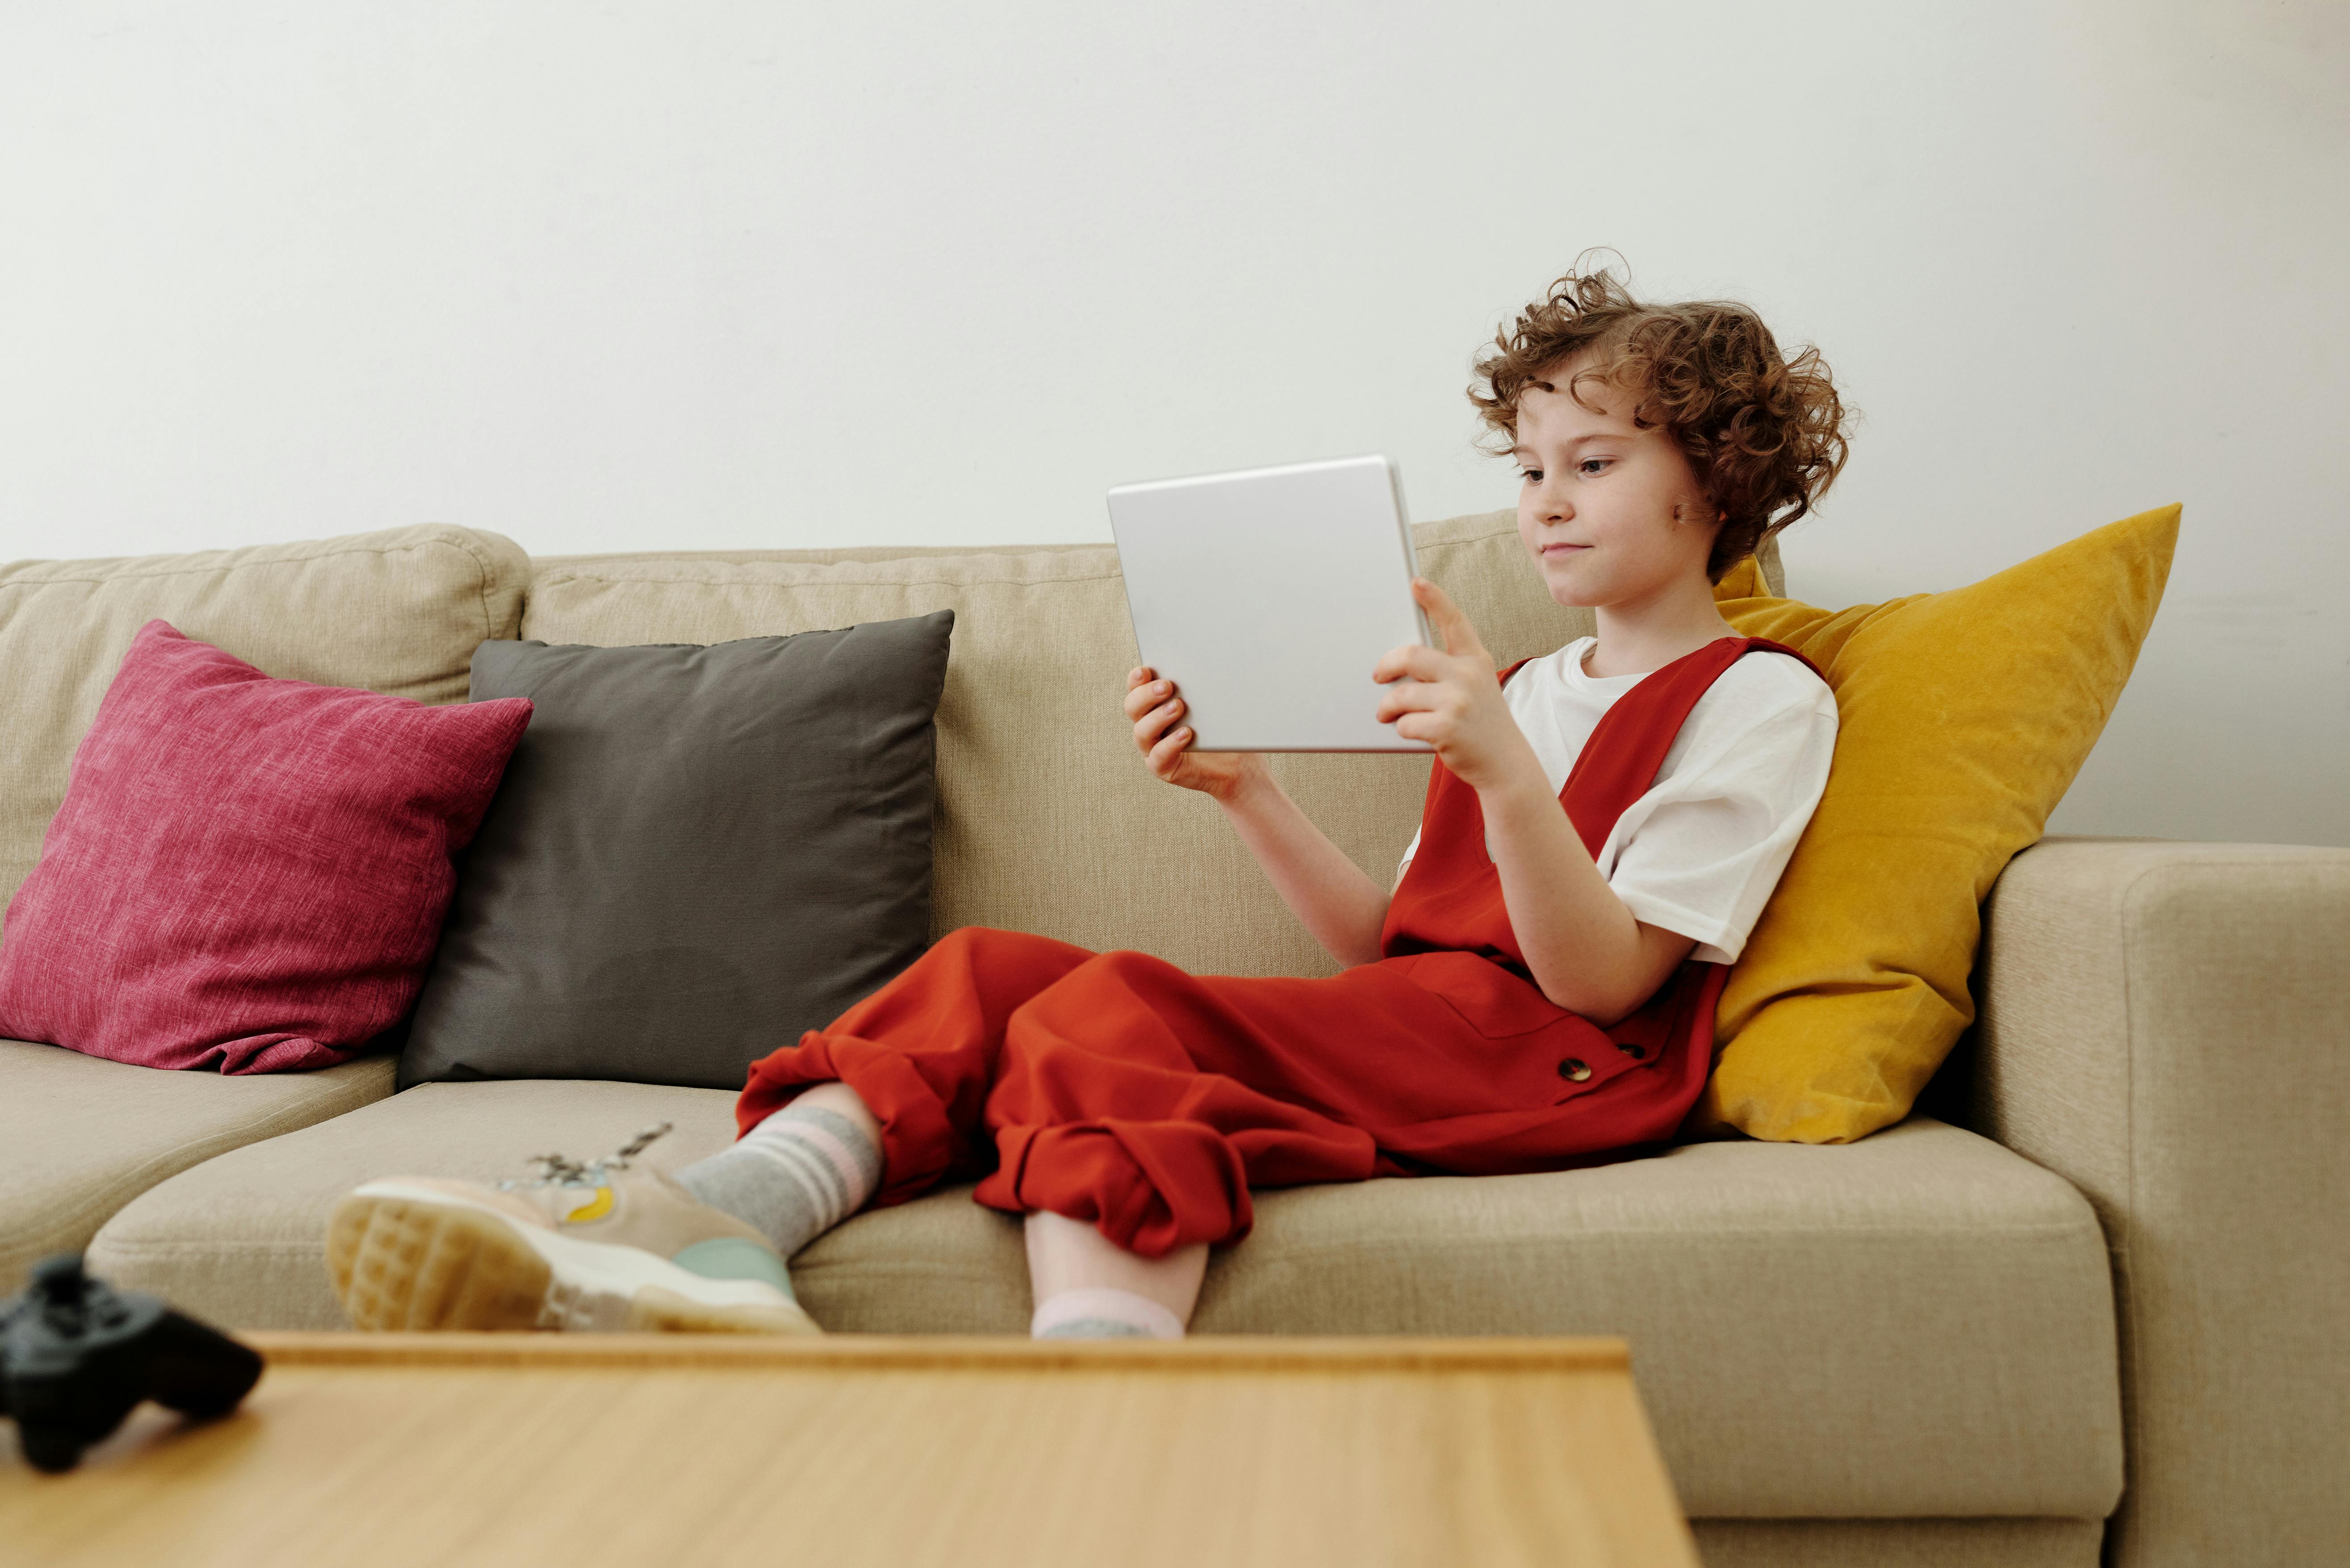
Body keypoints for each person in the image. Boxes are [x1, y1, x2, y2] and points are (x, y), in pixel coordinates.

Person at [326, 259, 1850, 1339]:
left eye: (1592, 462)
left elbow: (1604, 981)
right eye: (1528, 470)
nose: (1546, 504)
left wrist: (1503, 774)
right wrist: (1242, 791)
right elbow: (1394, 953)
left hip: (1572, 1065)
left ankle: (1104, 1382)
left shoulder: (1756, 699)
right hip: (1450, 1023)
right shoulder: (1518, 683)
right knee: (991, 971)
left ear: (1712, 482)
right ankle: (730, 1228)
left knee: (1105, 1009)